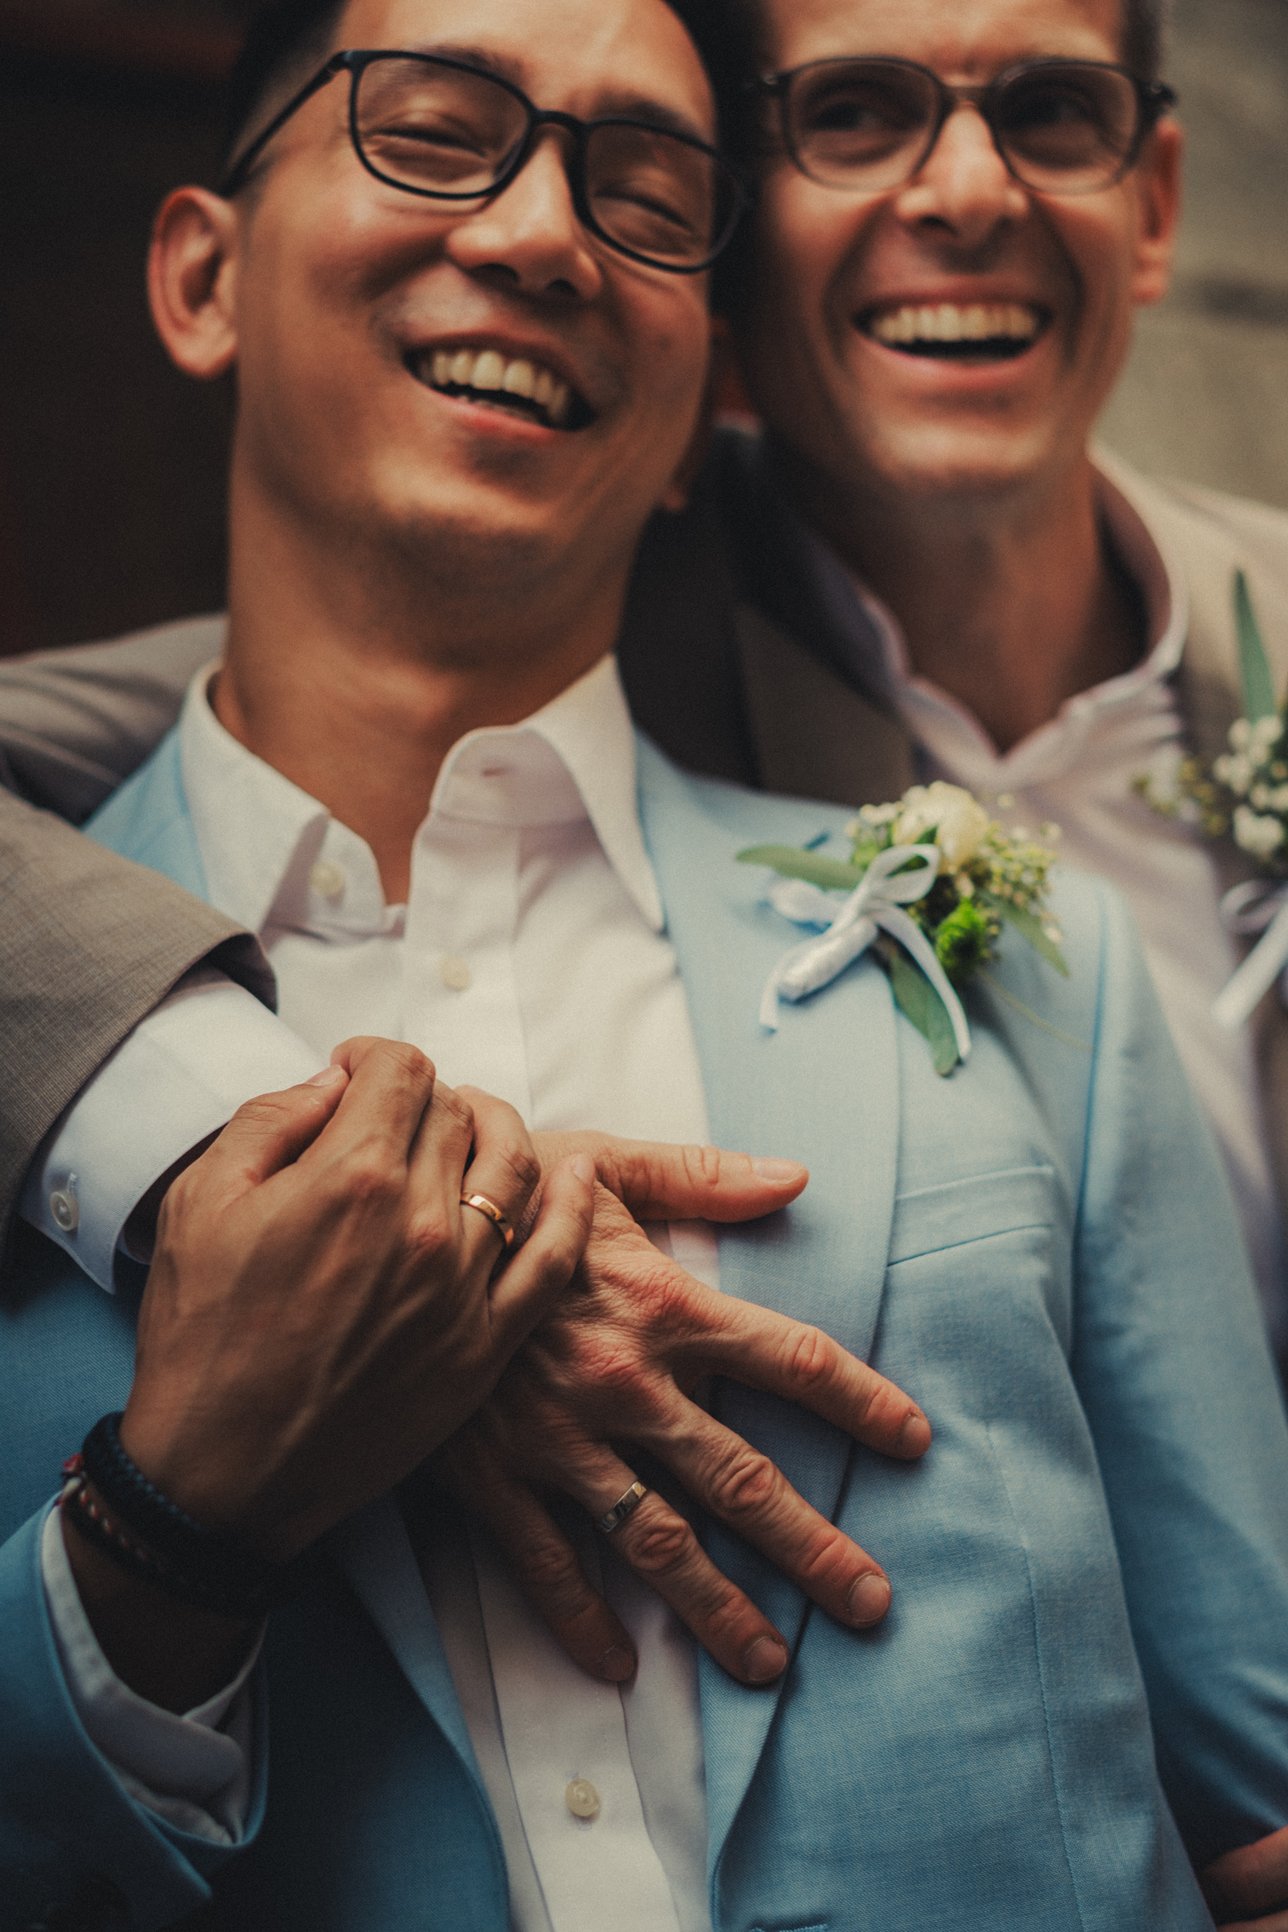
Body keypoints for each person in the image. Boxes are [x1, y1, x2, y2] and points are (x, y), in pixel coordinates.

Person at [3, 2, 1288, 1930]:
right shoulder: (47, 1012)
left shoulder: (1039, 968)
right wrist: (165, 1538)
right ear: (201, 277)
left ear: (707, 409)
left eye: (647, 187)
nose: (542, 235)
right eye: (434, 130)